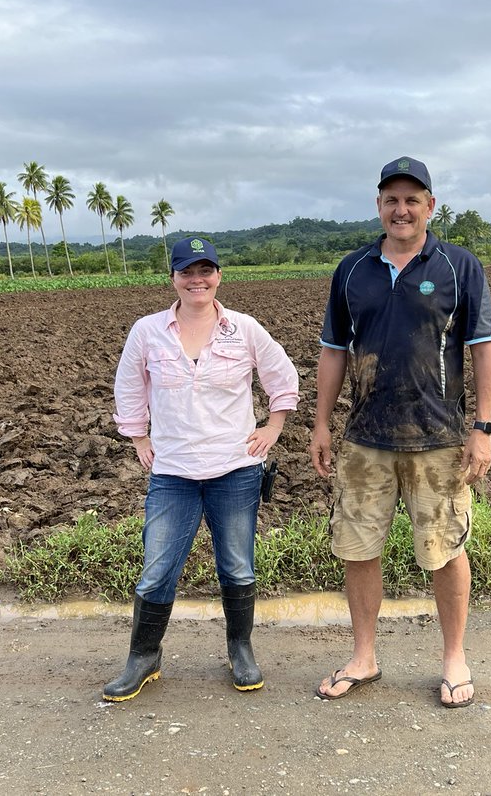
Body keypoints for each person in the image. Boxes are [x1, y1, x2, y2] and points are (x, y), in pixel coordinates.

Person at [310, 156, 491, 709]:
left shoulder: (459, 266)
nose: (401, 209)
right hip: (365, 436)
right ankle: (364, 656)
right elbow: (333, 352)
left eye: (412, 200)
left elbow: (484, 350)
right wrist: (322, 424)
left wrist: (481, 428)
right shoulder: (352, 270)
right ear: (378, 206)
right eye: (391, 200)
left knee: (445, 550)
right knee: (358, 547)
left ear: (429, 207)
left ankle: (453, 658)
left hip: (438, 437)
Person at [104, 235, 299, 702]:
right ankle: (144, 657)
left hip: (235, 468)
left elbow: (282, 375)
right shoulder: (147, 331)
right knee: (157, 568)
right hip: (173, 472)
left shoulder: (244, 328)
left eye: (205, 270)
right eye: (187, 272)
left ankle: (240, 649)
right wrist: (138, 436)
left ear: (218, 275)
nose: (197, 280)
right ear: (173, 277)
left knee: (236, 565)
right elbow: (129, 386)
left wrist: (273, 426)